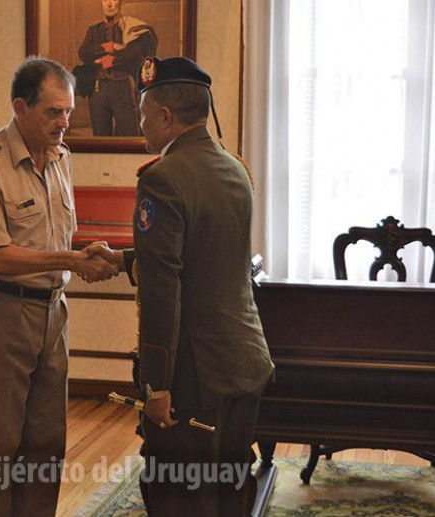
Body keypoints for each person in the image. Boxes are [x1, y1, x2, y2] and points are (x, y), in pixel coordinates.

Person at [87, 57, 275, 516]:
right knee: (231, 487)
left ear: (166, 117)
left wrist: (156, 387)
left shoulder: (162, 178)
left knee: (178, 496)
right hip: (243, 359)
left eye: (145, 114)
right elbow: (208, 256)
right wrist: (127, 259)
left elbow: (163, 290)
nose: (142, 124)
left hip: (194, 373)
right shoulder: (234, 169)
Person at [0, 57, 117, 517]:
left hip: (53, 310)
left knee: (47, 438)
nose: (64, 123)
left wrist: (84, 251)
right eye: (53, 113)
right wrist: (72, 260)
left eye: (68, 112)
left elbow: (54, 236)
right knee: (0, 441)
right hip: (3, 310)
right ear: (20, 107)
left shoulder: (61, 156)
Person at [77, 0, 157, 136]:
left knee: (129, 134)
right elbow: (84, 53)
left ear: (120, 3)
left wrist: (110, 61)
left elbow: (133, 53)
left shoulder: (133, 29)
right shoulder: (94, 30)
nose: (109, 4)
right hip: (98, 89)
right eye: (105, 0)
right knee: (100, 136)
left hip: (122, 87)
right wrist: (109, 46)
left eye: (113, 0)